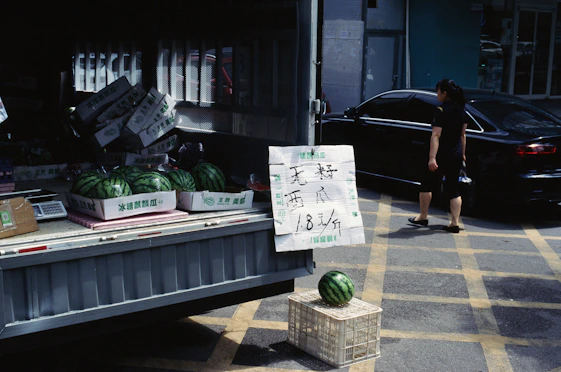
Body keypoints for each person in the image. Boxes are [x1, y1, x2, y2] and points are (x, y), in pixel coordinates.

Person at [408, 79, 467, 233]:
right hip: (456, 154)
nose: (437, 95)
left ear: (444, 93)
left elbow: (436, 135)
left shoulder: (440, 111)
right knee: (454, 188)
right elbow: (462, 135)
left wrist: (432, 158)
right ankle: (454, 222)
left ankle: (423, 216)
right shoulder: (462, 110)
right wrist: (463, 154)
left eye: (438, 92)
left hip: (441, 155)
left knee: (427, 184)